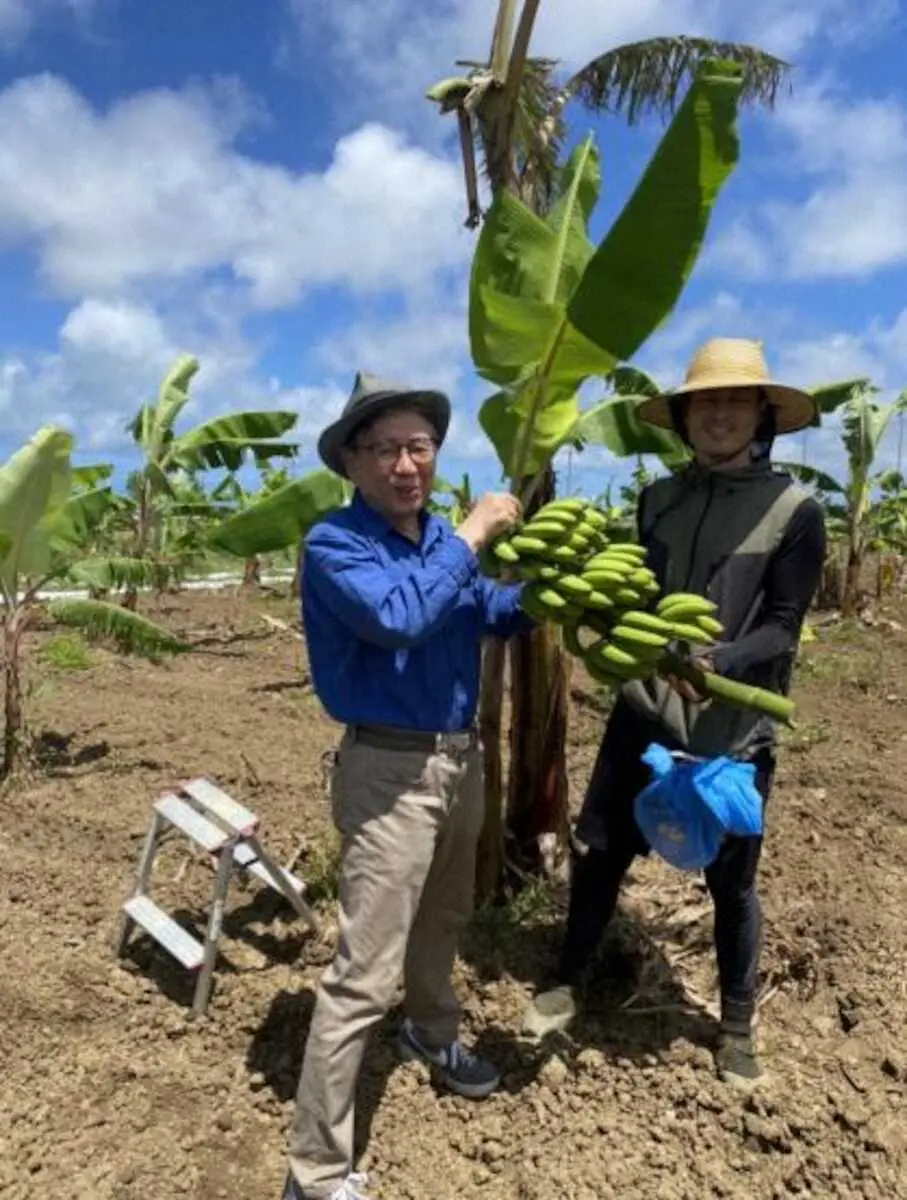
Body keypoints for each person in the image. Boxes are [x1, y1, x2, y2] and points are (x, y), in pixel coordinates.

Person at [522, 337, 826, 1089]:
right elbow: (638, 599)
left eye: (733, 401)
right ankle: (568, 977)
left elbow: (782, 626)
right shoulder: (657, 499)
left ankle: (733, 1024)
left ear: (762, 415)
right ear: (684, 419)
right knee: (602, 852)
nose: (717, 415)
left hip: (730, 727)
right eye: (703, 403)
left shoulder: (795, 511)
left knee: (731, 881)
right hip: (644, 710)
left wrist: (715, 662)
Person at [282, 371, 532, 1200]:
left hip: (458, 760)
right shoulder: (334, 545)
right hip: (387, 768)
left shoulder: (435, 542)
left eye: (417, 446)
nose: (403, 464)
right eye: (383, 448)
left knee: (444, 917)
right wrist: (473, 532)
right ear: (350, 463)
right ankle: (315, 1171)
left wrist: (555, 584)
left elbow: (483, 613)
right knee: (363, 973)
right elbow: (399, 617)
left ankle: (431, 1034)